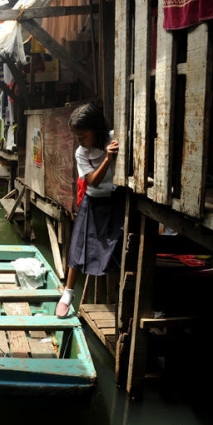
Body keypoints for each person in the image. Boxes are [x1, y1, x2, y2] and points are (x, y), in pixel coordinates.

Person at [56, 103, 125, 318]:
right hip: (93, 201)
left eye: (83, 136)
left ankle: (121, 298)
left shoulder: (114, 138)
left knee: (117, 247)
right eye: (77, 137)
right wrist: (108, 159)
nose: (80, 140)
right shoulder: (81, 153)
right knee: (78, 247)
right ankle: (68, 293)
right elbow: (93, 181)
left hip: (115, 200)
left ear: (96, 129)